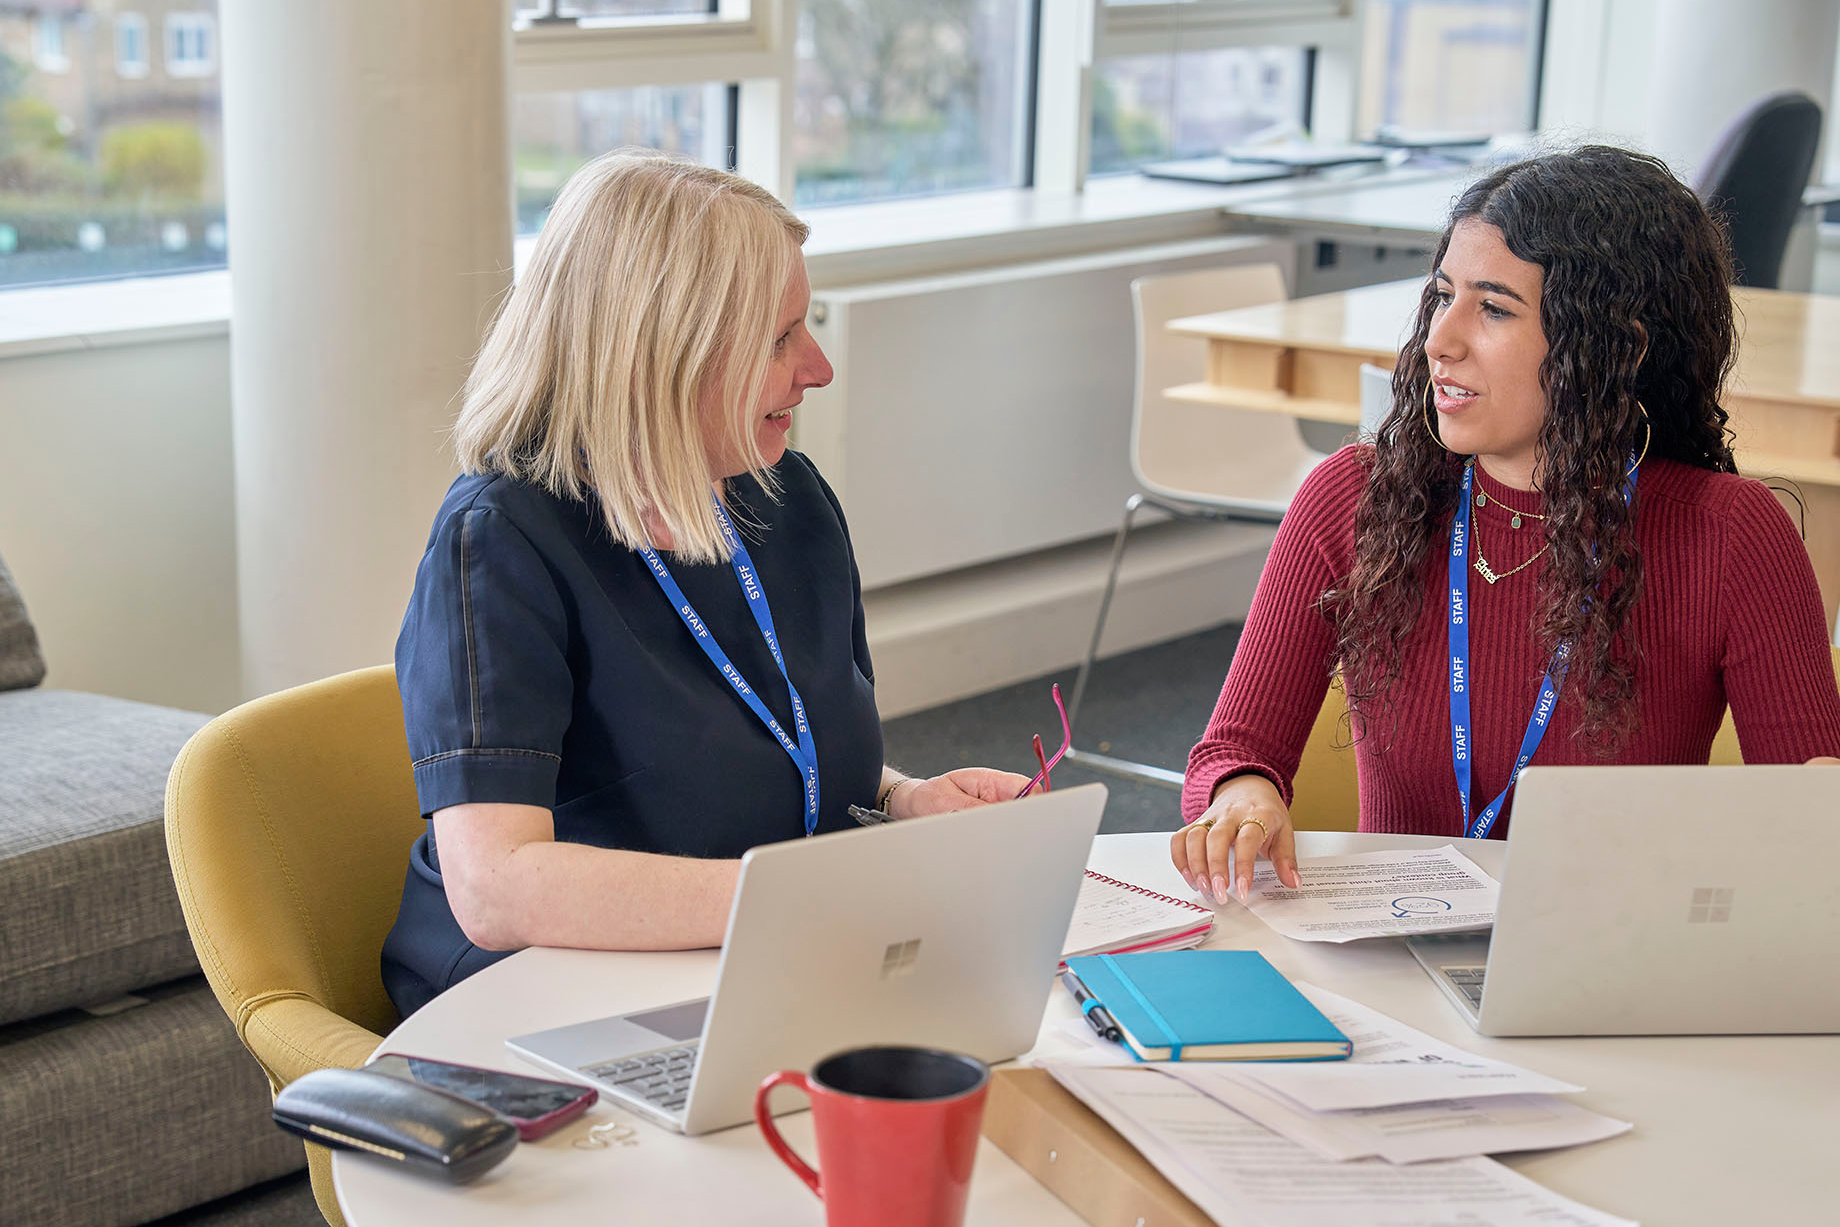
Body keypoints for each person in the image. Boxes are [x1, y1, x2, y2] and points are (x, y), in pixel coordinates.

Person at [382, 152, 1026, 1016]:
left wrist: (901, 801)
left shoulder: (788, 499)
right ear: (660, 353)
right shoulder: (499, 542)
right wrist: (792, 901)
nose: (820, 367)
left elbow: (778, 748)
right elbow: (497, 886)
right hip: (540, 1000)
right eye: (779, 338)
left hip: (748, 965)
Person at [1173, 145, 1840, 904]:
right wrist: (1242, 794)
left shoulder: (1729, 536)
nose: (1439, 340)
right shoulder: (1355, 497)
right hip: (1390, 952)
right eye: (1443, 295)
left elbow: (1810, 833)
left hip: (1608, 963)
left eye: (1493, 307)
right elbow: (1232, 750)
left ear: (1615, 346)